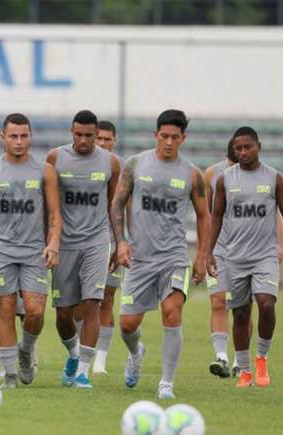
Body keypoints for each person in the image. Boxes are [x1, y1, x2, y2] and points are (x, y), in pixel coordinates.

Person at [111, 109, 210, 400]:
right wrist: (121, 242)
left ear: (183, 138)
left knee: (171, 313)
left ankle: (166, 383)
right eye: (164, 136)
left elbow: (204, 216)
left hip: (174, 257)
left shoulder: (192, 173)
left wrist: (202, 255)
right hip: (139, 258)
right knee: (128, 325)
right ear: (155, 135)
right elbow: (117, 204)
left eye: (174, 137)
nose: (168, 142)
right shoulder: (135, 164)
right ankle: (136, 351)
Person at [0, 113, 61, 389]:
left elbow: (55, 213)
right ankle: (9, 375)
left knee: (35, 311)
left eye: (23, 136)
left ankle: (25, 350)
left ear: (30, 136)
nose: (19, 142)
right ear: (3, 137)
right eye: (13, 136)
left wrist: (53, 243)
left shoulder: (44, 170)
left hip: (35, 252)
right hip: (1, 251)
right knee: (5, 309)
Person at [46, 110, 120, 388]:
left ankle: (84, 373)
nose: (85, 140)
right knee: (63, 314)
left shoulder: (110, 162)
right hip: (64, 243)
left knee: (92, 304)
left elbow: (115, 207)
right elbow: (50, 205)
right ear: (71, 132)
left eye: (90, 135)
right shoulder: (56, 158)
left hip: (97, 241)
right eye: (79, 134)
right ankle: (75, 355)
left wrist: (119, 243)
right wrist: (49, 241)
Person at [208, 126, 282, 388]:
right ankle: (246, 371)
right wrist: (208, 252)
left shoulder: (274, 178)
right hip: (234, 257)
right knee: (240, 314)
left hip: (265, 256)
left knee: (265, 303)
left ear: (258, 146)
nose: (242, 152)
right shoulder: (225, 179)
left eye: (247, 147)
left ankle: (261, 358)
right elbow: (216, 217)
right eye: (238, 148)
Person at [203, 139, 241, 378]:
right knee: (218, 301)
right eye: (231, 161)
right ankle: (221, 358)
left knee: (241, 306)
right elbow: (206, 213)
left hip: (248, 250)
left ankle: (241, 360)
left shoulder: (263, 177)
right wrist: (205, 249)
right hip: (218, 249)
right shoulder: (211, 174)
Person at [92, 120, 126, 374]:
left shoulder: (123, 168)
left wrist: (123, 241)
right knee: (79, 304)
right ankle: (79, 352)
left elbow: (129, 207)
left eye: (107, 139)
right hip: (80, 241)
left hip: (112, 239)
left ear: (114, 141)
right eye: (98, 139)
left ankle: (100, 361)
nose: (102, 144)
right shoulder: (78, 164)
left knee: (106, 298)